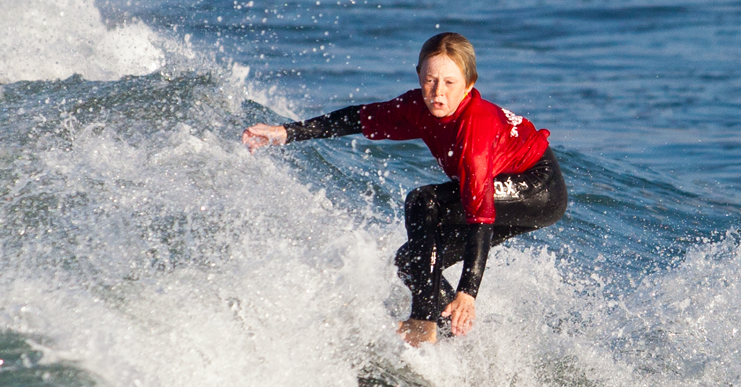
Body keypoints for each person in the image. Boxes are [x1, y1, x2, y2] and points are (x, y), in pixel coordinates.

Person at [242, 32, 567, 347]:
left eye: (450, 83)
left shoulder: (475, 130)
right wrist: (287, 132)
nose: (438, 92)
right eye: (430, 80)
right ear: (419, 76)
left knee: (423, 201)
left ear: (469, 85)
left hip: (537, 187)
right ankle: (453, 341)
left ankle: (422, 324)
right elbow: (358, 117)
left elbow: (479, 216)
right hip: (504, 190)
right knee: (413, 260)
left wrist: (467, 291)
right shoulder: (418, 107)